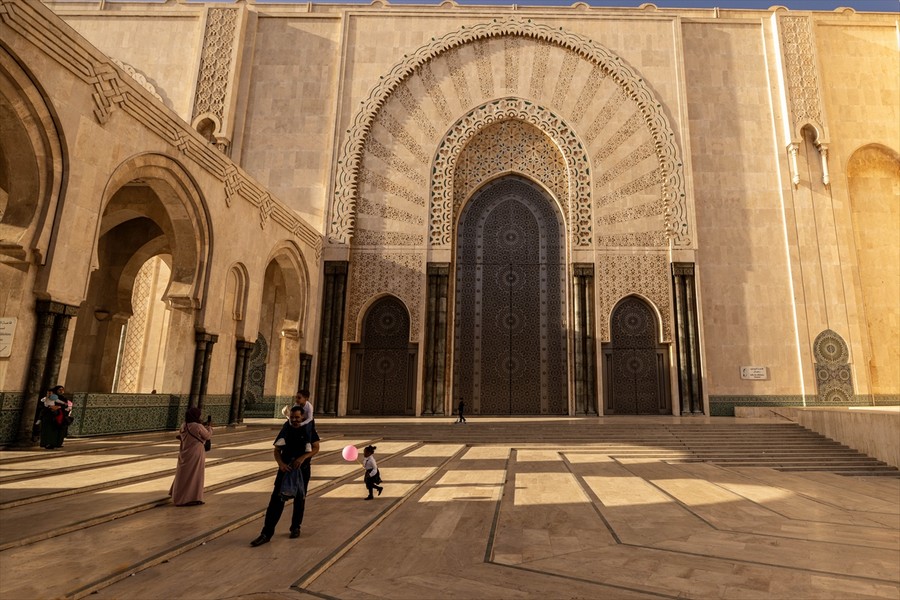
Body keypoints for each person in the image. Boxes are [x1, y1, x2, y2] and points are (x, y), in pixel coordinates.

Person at [250, 405, 320, 546]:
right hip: (285, 469)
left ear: (303, 417)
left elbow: (316, 447)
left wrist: (303, 458)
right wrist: (280, 464)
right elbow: (277, 450)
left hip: (302, 470)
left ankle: (295, 527)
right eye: (292, 417)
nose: (294, 420)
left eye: (297, 417)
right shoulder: (286, 429)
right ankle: (266, 533)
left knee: (300, 499)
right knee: (276, 500)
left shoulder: (308, 429)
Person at [169, 407, 212, 506]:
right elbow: (208, 436)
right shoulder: (197, 426)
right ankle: (192, 497)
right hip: (196, 453)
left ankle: (178, 496)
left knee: (183, 475)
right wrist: (209, 427)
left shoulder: (184, 425)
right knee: (195, 474)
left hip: (184, 452)